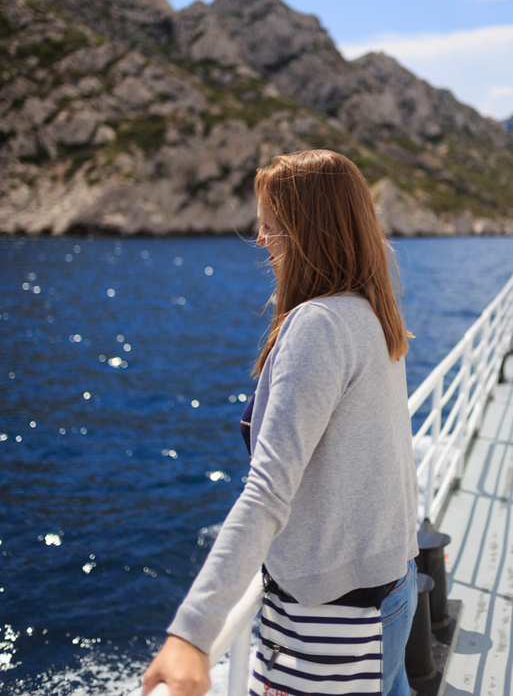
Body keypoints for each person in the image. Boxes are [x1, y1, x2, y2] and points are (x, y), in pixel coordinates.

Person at [143, 149, 419, 696]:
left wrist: (192, 632)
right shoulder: (370, 313)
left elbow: (268, 491)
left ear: (308, 232)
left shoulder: (318, 326)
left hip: (332, 619)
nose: (261, 241)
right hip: (390, 590)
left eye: (271, 227)